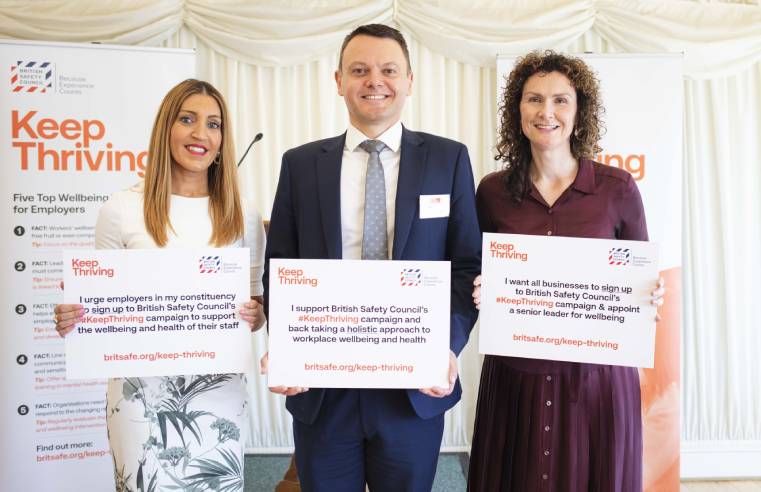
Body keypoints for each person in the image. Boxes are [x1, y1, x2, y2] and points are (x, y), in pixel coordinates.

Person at [262, 24, 481, 491]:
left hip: (412, 387)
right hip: (324, 389)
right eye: (359, 70)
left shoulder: (448, 159)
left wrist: (447, 344)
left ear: (409, 81)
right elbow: (279, 264)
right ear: (338, 80)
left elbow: (466, 266)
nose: (374, 81)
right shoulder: (300, 165)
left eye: (388, 70)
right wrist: (287, 346)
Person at [52, 79, 266, 491]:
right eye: (187, 119)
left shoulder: (243, 213)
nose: (201, 134)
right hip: (140, 396)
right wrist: (73, 317)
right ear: (166, 128)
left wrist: (256, 315)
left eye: (214, 124)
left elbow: (254, 309)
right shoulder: (121, 209)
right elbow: (97, 305)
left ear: (224, 139)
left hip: (216, 392)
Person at [468, 50, 665, 491]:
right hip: (516, 377)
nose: (546, 112)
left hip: (595, 381)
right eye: (534, 99)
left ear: (579, 112)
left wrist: (649, 295)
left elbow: (639, 274)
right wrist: (480, 288)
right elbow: (476, 273)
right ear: (517, 111)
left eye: (560, 100)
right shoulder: (493, 192)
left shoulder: (617, 189)